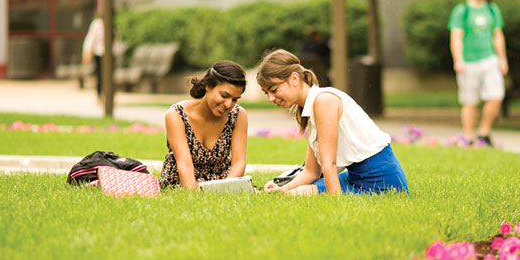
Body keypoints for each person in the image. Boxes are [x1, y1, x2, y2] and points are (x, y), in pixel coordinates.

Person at [257, 49, 408, 196]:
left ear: (295, 79)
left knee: (301, 194)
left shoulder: (324, 101)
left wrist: (335, 203)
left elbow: (328, 165)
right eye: (267, 93)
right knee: (295, 193)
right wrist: (283, 189)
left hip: (381, 183)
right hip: (355, 176)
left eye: (274, 90)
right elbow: (312, 171)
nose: (270, 99)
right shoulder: (311, 107)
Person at [159, 61, 248, 189]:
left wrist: (226, 190)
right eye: (224, 95)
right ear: (208, 86)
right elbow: (184, 164)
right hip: (181, 182)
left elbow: (239, 162)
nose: (229, 104)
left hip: (221, 183)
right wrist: (195, 193)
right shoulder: (176, 114)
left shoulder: (238, 115)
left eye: (234, 99)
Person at [448, 0, 509, 147]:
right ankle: (469, 137)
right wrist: (458, 60)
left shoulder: (492, 9)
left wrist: (502, 58)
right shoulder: (462, 11)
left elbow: (497, 35)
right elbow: (456, 37)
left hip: (489, 59)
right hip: (468, 61)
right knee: (470, 101)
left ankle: (484, 132)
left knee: (496, 96)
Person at [82, 15, 105, 100]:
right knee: (100, 76)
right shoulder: (96, 25)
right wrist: (87, 51)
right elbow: (90, 39)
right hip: (99, 53)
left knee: (108, 77)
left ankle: (109, 96)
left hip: (109, 54)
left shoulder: (111, 24)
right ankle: (100, 96)